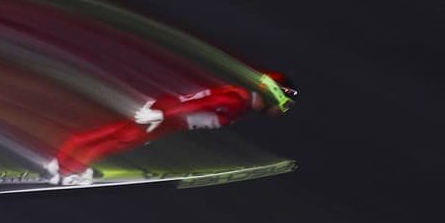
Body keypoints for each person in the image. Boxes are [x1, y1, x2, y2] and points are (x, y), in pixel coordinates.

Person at [44, 73, 298, 185]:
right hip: (166, 117)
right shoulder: (237, 100)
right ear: (275, 96)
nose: (281, 112)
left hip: (169, 119)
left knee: (113, 136)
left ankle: (63, 165)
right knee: (115, 140)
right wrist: (161, 113)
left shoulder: (240, 101)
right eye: (284, 106)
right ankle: (67, 170)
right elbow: (200, 102)